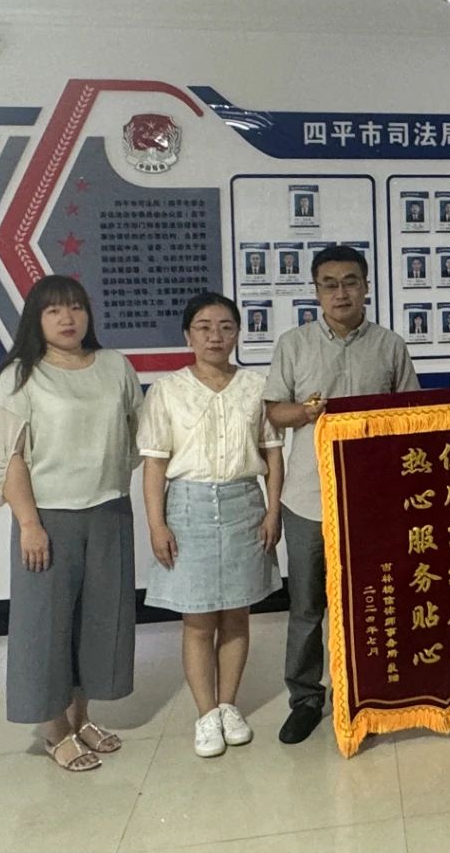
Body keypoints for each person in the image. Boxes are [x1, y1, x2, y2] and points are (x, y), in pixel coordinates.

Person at [0, 274, 142, 772]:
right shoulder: (21, 375)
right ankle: (53, 730)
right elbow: (10, 456)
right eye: (53, 310)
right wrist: (29, 523)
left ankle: (81, 717)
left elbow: (137, 431)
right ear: (37, 318)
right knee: (44, 626)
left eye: (75, 307)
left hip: (109, 510)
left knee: (99, 622)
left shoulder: (114, 366)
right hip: (48, 516)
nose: (67, 318)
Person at [265, 245, 420, 744]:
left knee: (371, 600)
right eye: (329, 284)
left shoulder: (390, 345)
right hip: (308, 497)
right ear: (315, 291)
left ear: (366, 287)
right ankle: (306, 698)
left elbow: (413, 415)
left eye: (350, 282)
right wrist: (306, 413)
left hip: (374, 500)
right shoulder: (294, 344)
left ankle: (365, 691)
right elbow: (274, 411)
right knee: (308, 605)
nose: (340, 292)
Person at [138, 293, 284, 756]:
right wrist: (157, 525)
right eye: (203, 327)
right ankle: (205, 715)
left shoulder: (256, 387)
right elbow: (154, 465)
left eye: (225, 326)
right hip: (189, 507)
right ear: (188, 335)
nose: (215, 336)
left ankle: (228, 705)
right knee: (199, 619)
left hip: (244, 505)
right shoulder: (167, 390)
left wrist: (273, 510)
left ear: (238, 333)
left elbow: (272, 454)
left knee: (238, 615)